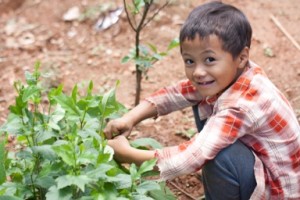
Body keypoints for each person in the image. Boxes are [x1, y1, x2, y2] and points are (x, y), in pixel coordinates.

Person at [104, 1, 300, 199]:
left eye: (209, 60)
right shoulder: (236, 71)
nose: (198, 72)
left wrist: (127, 154)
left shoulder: (241, 105)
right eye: (190, 61)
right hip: (261, 164)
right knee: (203, 99)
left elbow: (191, 157)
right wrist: (129, 118)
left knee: (217, 157)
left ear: (241, 57)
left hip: (277, 192)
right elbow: (180, 92)